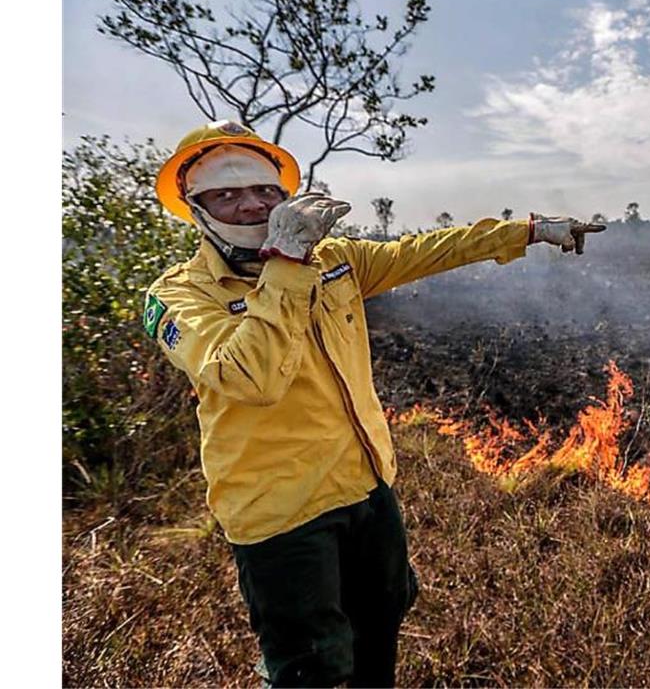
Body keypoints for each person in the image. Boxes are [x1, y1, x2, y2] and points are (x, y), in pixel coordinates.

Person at [143, 119, 604, 687]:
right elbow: (248, 378)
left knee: (380, 625)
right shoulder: (177, 295)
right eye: (227, 194)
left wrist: (527, 231)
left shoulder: (336, 260)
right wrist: (285, 264)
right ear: (196, 207)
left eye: (265, 190)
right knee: (312, 666)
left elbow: (427, 249)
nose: (251, 205)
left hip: (365, 485)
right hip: (279, 512)